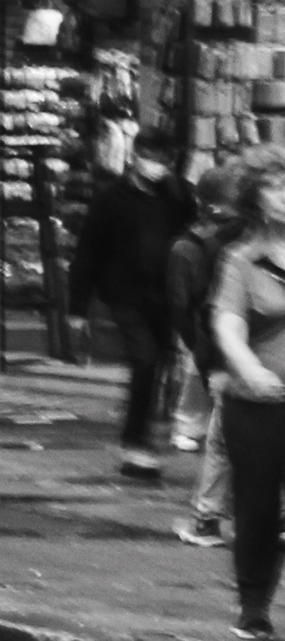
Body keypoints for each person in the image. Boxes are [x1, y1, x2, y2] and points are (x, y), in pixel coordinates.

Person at [70, 129, 192, 484]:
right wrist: (78, 307)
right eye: (151, 159)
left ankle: (145, 435)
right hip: (124, 294)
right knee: (145, 358)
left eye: (163, 161)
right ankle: (135, 440)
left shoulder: (177, 195)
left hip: (164, 294)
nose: (157, 167)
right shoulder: (111, 198)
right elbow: (88, 250)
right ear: (135, 158)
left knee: (160, 363)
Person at [201, 157, 285, 640]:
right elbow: (227, 325)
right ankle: (253, 605)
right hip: (258, 406)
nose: (284, 196)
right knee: (258, 508)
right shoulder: (241, 260)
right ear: (257, 201)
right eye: (274, 188)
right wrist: (250, 369)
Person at [168, 163, 246, 552]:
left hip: (231, 355)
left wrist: (205, 356)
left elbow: (197, 310)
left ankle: (208, 518)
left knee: (224, 440)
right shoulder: (243, 242)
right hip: (245, 354)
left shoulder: (214, 246)